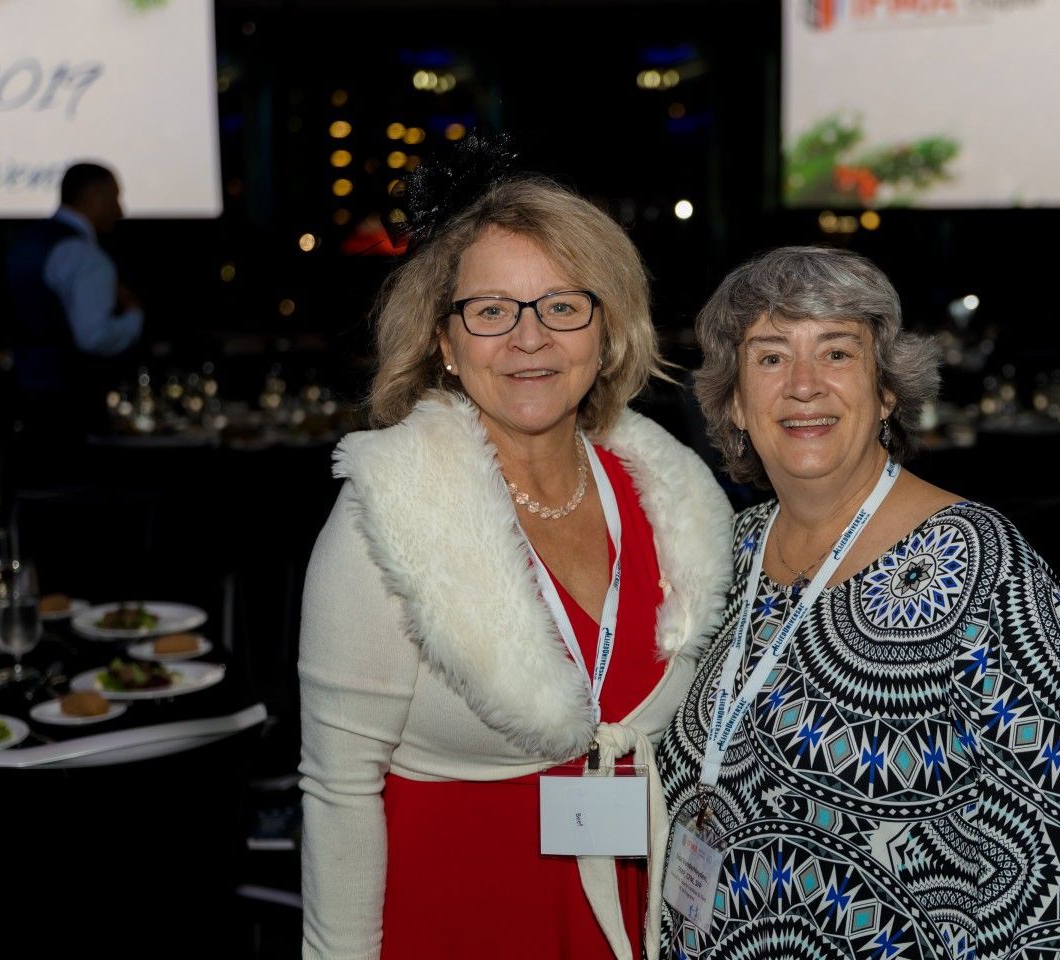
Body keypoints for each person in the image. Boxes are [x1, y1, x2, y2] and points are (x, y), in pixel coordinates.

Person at [298, 147, 734, 960]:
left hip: (635, 926)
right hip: (454, 931)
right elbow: (338, 789)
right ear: (445, 341)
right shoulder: (385, 516)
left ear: (606, 331)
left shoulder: (672, 501)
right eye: (491, 310)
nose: (529, 338)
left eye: (562, 306)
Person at [657, 247, 1060, 959]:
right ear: (735, 401)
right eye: (770, 358)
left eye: (836, 353)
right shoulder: (721, 553)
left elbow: (1053, 881)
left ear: (887, 391)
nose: (804, 385)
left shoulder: (985, 568)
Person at [6, 162, 143, 478]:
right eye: (115, 197)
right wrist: (134, 318)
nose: (121, 210)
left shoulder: (25, 244)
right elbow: (94, 337)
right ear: (94, 196)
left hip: (24, 401)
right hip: (69, 412)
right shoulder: (84, 255)